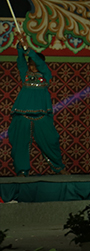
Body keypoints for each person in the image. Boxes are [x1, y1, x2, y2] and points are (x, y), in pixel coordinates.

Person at [10, 31, 64, 176]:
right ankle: (22, 171)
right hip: (23, 114)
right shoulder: (25, 75)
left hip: (42, 115)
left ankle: (59, 168)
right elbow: (20, 60)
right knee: (20, 143)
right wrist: (21, 45)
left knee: (51, 140)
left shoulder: (46, 75)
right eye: (30, 64)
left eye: (35, 64)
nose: (32, 66)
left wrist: (28, 49)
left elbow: (40, 63)